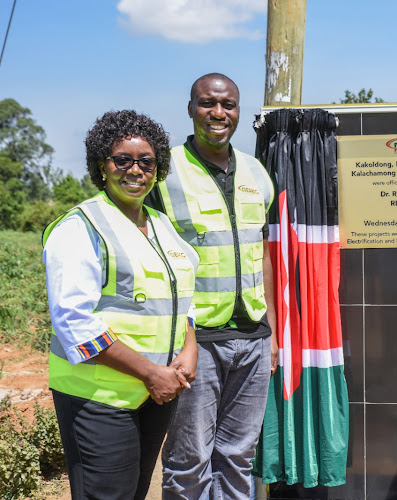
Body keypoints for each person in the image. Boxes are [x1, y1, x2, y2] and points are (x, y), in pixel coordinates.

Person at [43, 110, 200, 500]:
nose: (135, 170)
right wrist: (151, 372)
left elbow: (183, 299)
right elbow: (74, 322)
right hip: (98, 398)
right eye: (122, 160)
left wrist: (190, 347)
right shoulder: (80, 227)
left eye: (146, 161)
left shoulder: (162, 225)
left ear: (157, 167)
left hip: (153, 393)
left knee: (133, 492)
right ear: (102, 165)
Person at [146, 72, 278, 499]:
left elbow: (263, 254)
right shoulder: (162, 174)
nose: (218, 113)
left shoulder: (257, 173)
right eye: (207, 103)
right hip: (194, 342)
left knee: (239, 457)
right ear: (191, 109)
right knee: (189, 461)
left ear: (238, 111)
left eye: (228, 105)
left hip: (254, 340)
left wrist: (272, 332)